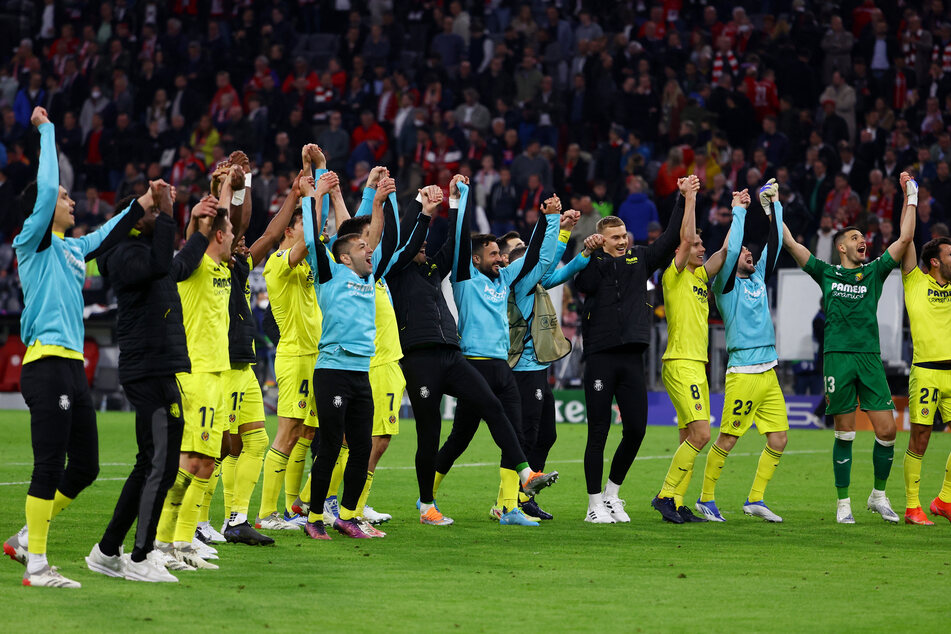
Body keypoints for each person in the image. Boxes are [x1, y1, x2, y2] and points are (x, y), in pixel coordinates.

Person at [4, 107, 144, 588]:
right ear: (43, 210)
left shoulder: (70, 249)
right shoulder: (33, 242)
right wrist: (47, 132)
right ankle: (37, 567)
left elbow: (104, 236)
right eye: (66, 197)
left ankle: (25, 539)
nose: (70, 201)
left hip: (70, 368)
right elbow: (44, 191)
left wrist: (143, 204)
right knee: (49, 466)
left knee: (85, 467)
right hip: (46, 365)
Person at [388, 176, 547, 525]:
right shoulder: (394, 270)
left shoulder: (430, 271)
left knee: (492, 405)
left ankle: (525, 474)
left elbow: (455, 246)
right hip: (418, 358)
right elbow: (409, 239)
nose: (425, 248)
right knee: (429, 433)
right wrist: (424, 212)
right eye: (419, 245)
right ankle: (426, 504)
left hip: (450, 352)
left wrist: (458, 204)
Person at [85, 186, 216, 582]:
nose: (156, 213)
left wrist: (202, 230)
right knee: (158, 462)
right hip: (147, 369)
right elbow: (162, 264)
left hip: (159, 368)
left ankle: (108, 550)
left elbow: (178, 266)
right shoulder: (123, 253)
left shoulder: (142, 251)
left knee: (151, 462)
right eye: (150, 209)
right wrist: (169, 213)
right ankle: (140, 557)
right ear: (134, 213)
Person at [781, 172, 917, 524]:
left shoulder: (873, 272)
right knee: (845, 431)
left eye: (863, 238)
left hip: (870, 357)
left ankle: (878, 495)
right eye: (855, 238)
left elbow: (905, 239)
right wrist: (774, 208)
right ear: (841, 247)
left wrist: (909, 196)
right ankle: (844, 503)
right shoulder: (826, 272)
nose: (863, 241)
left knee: (887, 431)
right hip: (838, 358)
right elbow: (794, 246)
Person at [431, 181, 561, 526]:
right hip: (473, 365)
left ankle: (509, 508)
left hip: (502, 366)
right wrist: (460, 199)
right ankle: (425, 498)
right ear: (476, 260)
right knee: (460, 439)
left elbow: (538, 257)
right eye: (494, 255)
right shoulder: (465, 279)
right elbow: (457, 241)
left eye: (501, 255)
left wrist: (549, 221)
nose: (501, 259)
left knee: (516, 435)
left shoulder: (502, 281)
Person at [574, 178, 688, 524]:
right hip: (600, 357)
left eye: (624, 236)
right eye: (615, 238)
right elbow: (582, 285)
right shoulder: (592, 263)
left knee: (637, 428)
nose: (623, 241)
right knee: (598, 431)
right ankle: (593, 505)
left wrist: (682, 199)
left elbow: (669, 238)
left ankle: (612, 495)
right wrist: (592, 254)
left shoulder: (640, 259)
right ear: (602, 240)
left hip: (631, 357)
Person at [299, 171, 391, 539]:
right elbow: (311, 236)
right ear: (344, 257)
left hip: (360, 372)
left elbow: (377, 235)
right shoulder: (329, 274)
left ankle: (349, 516)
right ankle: (314, 517)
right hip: (333, 369)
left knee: (361, 446)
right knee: (332, 446)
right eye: (360, 248)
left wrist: (379, 202)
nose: (368, 250)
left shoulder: (367, 278)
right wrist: (316, 194)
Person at [152, 178, 237, 568]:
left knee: (205, 463)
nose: (235, 234)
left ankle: (183, 543)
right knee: (187, 462)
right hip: (196, 373)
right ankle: (161, 542)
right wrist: (216, 200)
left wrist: (230, 189)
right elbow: (203, 230)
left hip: (219, 373)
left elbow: (222, 220)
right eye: (230, 231)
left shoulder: (221, 265)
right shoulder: (198, 262)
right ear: (217, 235)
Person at [696, 179, 788, 523]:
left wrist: (772, 206)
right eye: (746, 253)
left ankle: (755, 500)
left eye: (752, 253)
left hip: (769, 371)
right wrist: (738, 211)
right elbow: (732, 250)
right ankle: (706, 499)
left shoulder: (757, 277)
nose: (751, 254)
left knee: (779, 438)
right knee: (728, 439)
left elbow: (774, 243)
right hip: (744, 373)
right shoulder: (725, 284)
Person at [509, 212, 602, 520]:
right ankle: (511, 500)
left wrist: (582, 250)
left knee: (545, 435)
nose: (524, 247)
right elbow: (545, 259)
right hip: (524, 366)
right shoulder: (520, 282)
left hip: (538, 367)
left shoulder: (535, 281)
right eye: (517, 246)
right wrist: (553, 225)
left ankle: (523, 495)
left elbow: (559, 272)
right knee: (525, 436)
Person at [650, 175, 729, 524]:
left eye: (702, 245)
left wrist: (740, 213)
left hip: (696, 363)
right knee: (701, 434)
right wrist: (691, 197)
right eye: (698, 246)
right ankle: (665, 494)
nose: (702, 249)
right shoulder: (676, 273)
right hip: (681, 362)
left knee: (687, 435)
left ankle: (677, 502)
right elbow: (684, 238)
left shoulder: (699, 277)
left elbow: (725, 253)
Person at [257, 148, 321, 531]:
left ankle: (294, 504)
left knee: (308, 431)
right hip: (294, 355)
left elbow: (316, 238)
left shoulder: (307, 260)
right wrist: (310, 195)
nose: (310, 230)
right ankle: (266, 515)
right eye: (303, 225)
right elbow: (306, 243)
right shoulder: (278, 264)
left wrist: (314, 178)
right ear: (288, 232)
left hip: (315, 355)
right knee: (287, 431)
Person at [901, 235, 951, 525]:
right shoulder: (916, 282)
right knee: (920, 439)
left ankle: (944, 500)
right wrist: (911, 198)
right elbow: (906, 238)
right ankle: (912, 507)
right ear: (935, 261)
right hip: (926, 372)